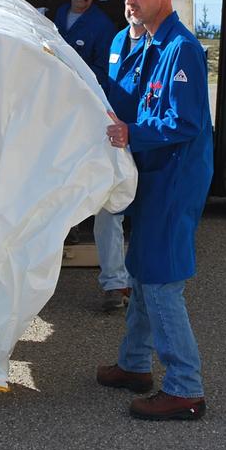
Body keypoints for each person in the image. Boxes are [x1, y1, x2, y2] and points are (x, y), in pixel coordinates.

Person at [99, 0, 213, 421]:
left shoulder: (182, 49)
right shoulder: (150, 43)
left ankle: (185, 388)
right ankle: (134, 365)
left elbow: (184, 122)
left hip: (174, 180)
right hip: (153, 177)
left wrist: (131, 134)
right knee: (141, 271)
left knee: (162, 280)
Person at [94, 16, 147, 311]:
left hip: (144, 138)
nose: (131, 2)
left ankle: (144, 283)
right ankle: (115, 283)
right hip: (116, 137)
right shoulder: (117, 40)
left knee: (143, 212)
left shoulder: (160, 45)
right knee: (109, 207)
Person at [52, 0, 115, 90]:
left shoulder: (103, 26)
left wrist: (71, 75)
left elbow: (103, 72)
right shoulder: (60, 13)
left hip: (83, 94)